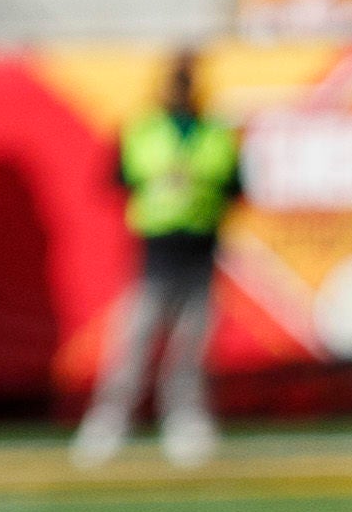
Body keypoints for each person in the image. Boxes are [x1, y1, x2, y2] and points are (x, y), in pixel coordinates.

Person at [77, 51, 238, 469]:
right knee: (134, 342)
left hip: (200, 253)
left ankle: (184, 421)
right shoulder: (143, 132)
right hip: (153, 254)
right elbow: (116, 180)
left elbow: (235, 187)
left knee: (190, 348)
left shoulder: (216, 133)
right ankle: (109, 420)